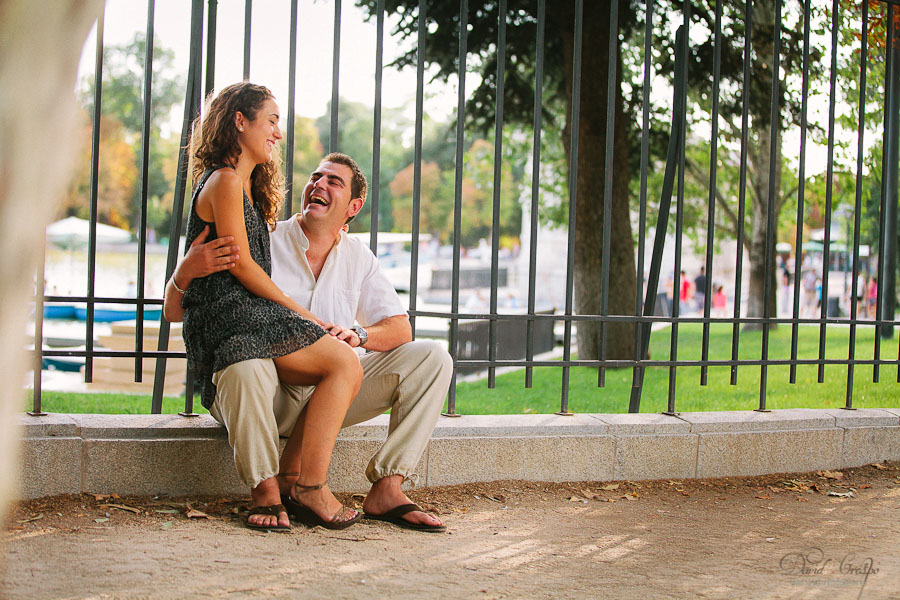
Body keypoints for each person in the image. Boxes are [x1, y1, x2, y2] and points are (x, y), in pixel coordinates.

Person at [166, 151, 452, 533]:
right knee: (246, 362)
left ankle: (388, 487)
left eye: (334, 181)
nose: (319, 184)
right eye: (316, 177)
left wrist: (359, 335)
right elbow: (192, 308)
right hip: (267, 392)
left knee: (432, 358)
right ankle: (266, 489)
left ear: (354, 206)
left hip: (334, 391)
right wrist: (183, 272)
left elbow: (401, 329)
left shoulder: (360, 257)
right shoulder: (263, 239)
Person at [167, 83, 363, 531]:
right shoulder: (224, 179)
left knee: (343, 365)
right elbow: (244, 269)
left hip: (243, 315)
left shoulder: (244, 188)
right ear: (241, 121)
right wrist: (304, 314)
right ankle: (298, 487)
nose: (278, 132)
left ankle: (295, 480)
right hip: (231, 318)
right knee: (342, 363)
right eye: (271, 120)